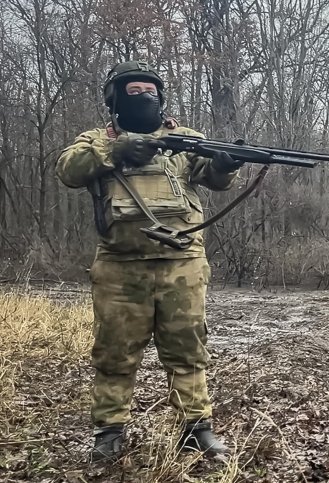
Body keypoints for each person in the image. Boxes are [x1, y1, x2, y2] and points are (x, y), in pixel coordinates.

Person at [56, 60, 243, 462]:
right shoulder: (96, 139)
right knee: (114, 354)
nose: (144, 98)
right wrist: (115, 149)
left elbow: (213, 176)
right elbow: (68, 170)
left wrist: (227, 164)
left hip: (183, 264)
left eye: (150, 92)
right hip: (120, 268)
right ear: (115, 100)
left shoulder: (184, 139)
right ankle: (108, 433)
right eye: (133, 92)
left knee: (188, 350)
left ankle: (196, 430)